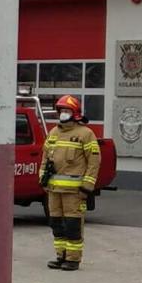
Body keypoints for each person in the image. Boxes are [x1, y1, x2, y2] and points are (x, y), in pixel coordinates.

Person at [40, 94, 100, 271]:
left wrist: (87, 186)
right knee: (56, 223)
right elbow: (45, 157)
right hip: (53, 190)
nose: (63, 114)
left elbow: (94, 161)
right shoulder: (53, 133)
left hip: (74, 192)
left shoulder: (85, 134)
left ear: (75, 113)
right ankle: (61, 256)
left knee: (73, 225)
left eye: (66, 111)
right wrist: (42, 179)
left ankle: (73, 259)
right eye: (61, 111)